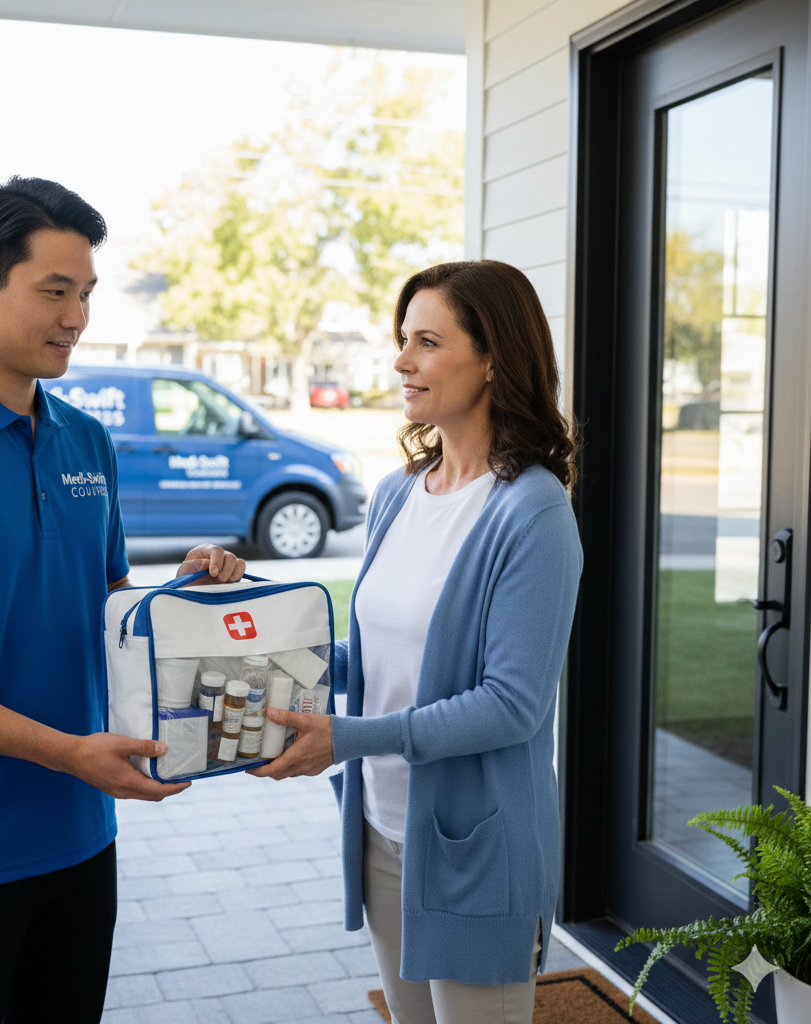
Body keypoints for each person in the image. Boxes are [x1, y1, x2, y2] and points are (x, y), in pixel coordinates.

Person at [0, 176, 246, 1024]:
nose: (76, 317)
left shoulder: (86, 439)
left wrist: (176, 597)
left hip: (81, 836)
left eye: (87, 293)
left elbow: (100, 605)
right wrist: (66, 752)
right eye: (54, 292)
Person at [250, 260, 583, 1024]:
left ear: (493, 357)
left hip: (479, 849)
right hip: (379, 829)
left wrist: (348, 738)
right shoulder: (401, 492)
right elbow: (370, 654)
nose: (401, 361)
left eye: (427, 342)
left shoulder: (531, 512)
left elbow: (511, 706)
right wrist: (245, 632)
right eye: (403, 340)